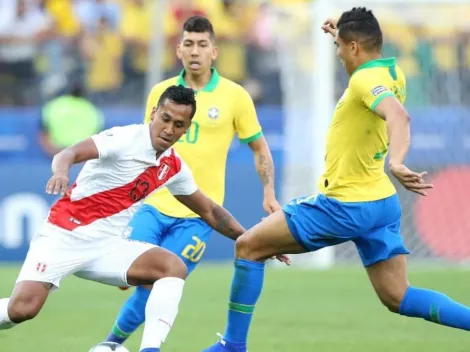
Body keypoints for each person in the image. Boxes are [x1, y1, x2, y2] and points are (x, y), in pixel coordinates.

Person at [202, 7, 470, 352]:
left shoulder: (363, 80)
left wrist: (398, 161)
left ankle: (232, 345)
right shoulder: (393, 72)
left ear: (355, 47)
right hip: (380, 204)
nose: (339, 54)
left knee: (249, 246)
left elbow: (398, 115)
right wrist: (339, 34)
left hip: (344, 204)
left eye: (341, 48)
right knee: (398, 296)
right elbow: (379, 85)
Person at [0, 85, 250, 352]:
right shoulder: (124, 138)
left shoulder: (173, 166)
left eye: (178, 124)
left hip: (109, 246)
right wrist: (61, 172)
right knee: (22, 309)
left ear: (186, 129)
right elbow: (67, 154)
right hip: (65, 235)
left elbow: (210, 211)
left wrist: (251, 239)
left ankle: (150, 349)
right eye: (165, 119)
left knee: (172, 267)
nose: (169, 129)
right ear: (154, 113)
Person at [104, 15, 283, 346]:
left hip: (199, 216)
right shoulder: (162, 93)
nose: (195, 51)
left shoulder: (235, 96)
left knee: (160, 280)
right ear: (178, 49)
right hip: (153, 206)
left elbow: (259, 148)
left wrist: (269, 193)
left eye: (202, 44)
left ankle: (112, 343)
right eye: (189, 43)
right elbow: (143, 149)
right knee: (125, 279)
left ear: (214, 52)